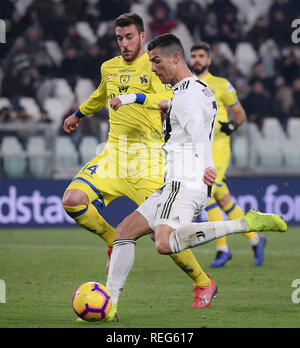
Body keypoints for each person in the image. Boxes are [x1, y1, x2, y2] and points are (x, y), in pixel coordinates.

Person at [105, 34, 287, 322]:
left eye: (156, 61)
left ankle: (243, 224)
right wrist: (163, 107)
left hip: (183, 180)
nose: (152, 68)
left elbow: (200, 134)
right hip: (178, 183)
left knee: (163, 244)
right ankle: (109, 305)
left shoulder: (186, 96)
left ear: (176, 58)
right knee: (124, 232)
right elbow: (190, 118)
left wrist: (207, 167)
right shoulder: (197, 89)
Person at [62, 13, 218, 314]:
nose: (124, 44)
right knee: (72, 200)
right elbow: (100, 95)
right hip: (113, 153)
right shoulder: (109, 67)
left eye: (129, 37)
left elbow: (162, 99)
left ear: (143, 36)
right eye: (119, 38)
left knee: (159, 230)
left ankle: (202, 281)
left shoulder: (156, 67)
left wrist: (132, 97)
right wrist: (78, 114)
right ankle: (111, 238)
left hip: (147, 157)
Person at [189, 42, 267, 268]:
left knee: (209, 192)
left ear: (209, 60)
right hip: (198, 149)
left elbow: (240, 114)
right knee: (223, 199)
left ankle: (223, 249)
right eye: (193, 55)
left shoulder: (221, 85)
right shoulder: (187, 85)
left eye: (201, 55)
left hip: (219, 149)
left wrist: (230, 127)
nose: (197, 59)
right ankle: (255, 238)